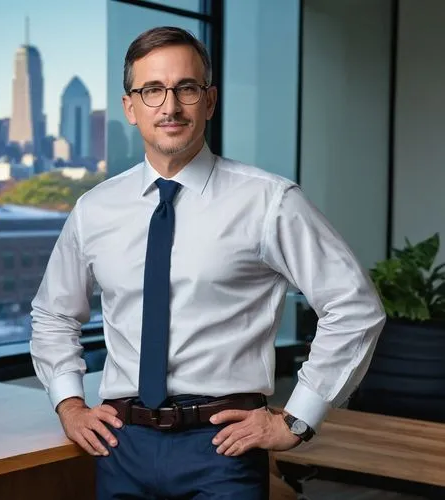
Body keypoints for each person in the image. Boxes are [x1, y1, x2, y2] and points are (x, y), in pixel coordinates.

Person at [30, 26, 386, 500]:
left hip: (221, 447)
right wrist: (69, 403)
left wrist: (299, 416)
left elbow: (355, 306)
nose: (170, 106)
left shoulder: (269, 201)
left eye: (187, 89)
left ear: (210, 101)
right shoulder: (95, 208)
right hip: (122, 444)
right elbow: (53, 313)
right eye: (152, 90)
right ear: (130, 108)